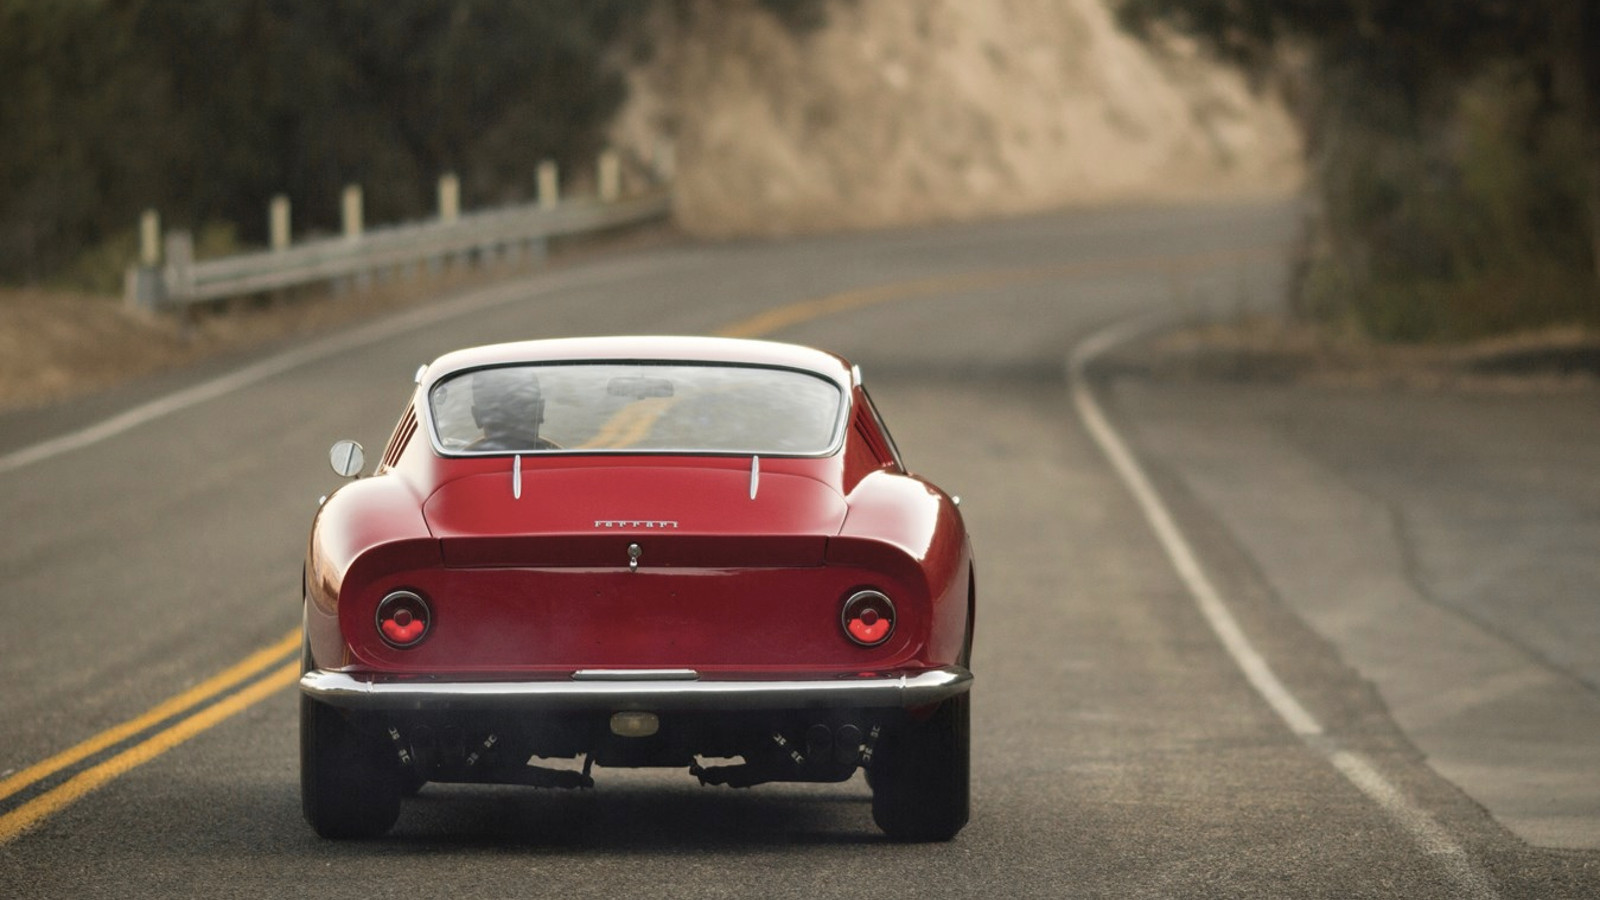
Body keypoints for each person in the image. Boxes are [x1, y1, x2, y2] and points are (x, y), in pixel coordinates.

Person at [467, 368, 557, 451]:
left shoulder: (458, 464)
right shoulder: (564, 462)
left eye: (520, 408)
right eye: (497, 411)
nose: (511, 422)